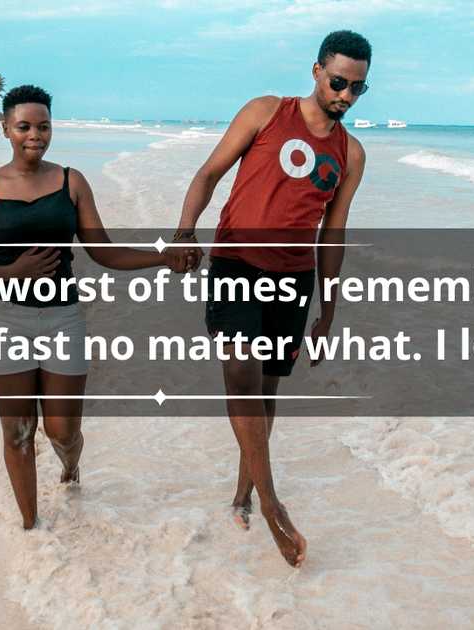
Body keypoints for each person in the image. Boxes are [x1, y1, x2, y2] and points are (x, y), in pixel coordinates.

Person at [167, 30, 370, 567]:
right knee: (240, 373)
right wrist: (185, 232)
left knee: (266, 390)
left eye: (358, 88)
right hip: (236, 263)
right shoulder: (264, 111)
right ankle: (274, 505)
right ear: (316, 71)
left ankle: (243, 494)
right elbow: (209, 174)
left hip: (294, 280)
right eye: (339, 82)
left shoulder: (351, 153)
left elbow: (334, 233)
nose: (346, 95)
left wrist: (329, 311)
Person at [0, 85, 187, 529]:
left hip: (63, 318)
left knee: (61, 430)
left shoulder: (70, 182)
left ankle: (70, 465)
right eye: (24, 127)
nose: (34, 135)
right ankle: (31, 525)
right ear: (5, 129)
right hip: (5, 319)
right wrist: (12, 273)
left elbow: (104, 252)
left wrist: (163, 256)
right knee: (19, 433)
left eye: (43, 126)